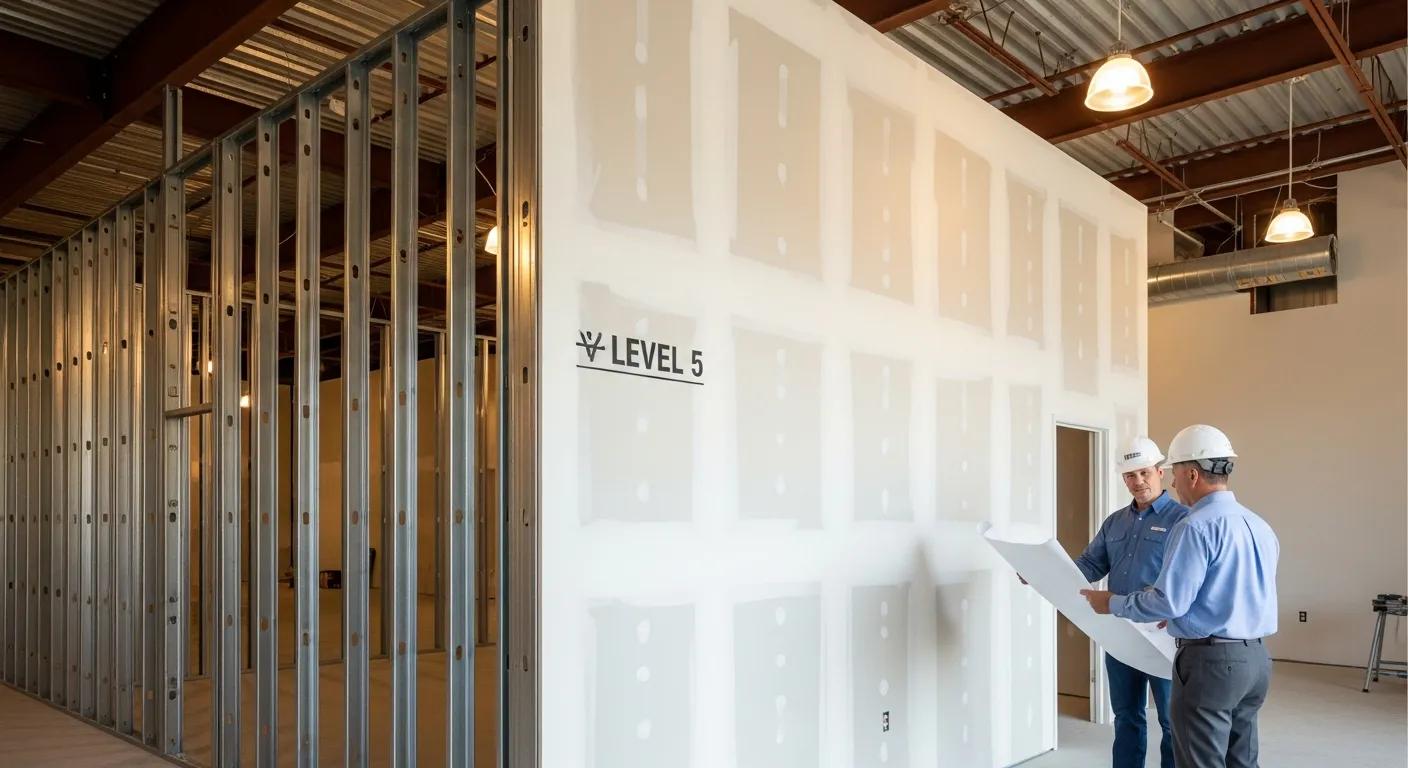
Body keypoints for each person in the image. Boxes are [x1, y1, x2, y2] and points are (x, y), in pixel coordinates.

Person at [1081, 424, 1279, 768]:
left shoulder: (1192, 524)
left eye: (1169, 474)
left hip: (1208, 660)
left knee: (1196, 755)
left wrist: (1110, 602)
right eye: (1129, 475)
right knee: (1241, 760)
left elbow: (1170, 602)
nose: (1171, 483)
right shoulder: (1259, 525)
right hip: (1255, 660)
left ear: (1190, 474)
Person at [1034, 436, 1189, 768]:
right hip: (1120, 634)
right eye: (1130, 475)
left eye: (1144, 472)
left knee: (1172, 722)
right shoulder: (1115, 522)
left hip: (1165, 636)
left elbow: (1192, 581)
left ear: (1160, 471)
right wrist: (1042, 571)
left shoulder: (1182, 520)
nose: (1137, 482)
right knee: (1127, 716)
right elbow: (1090, 565)